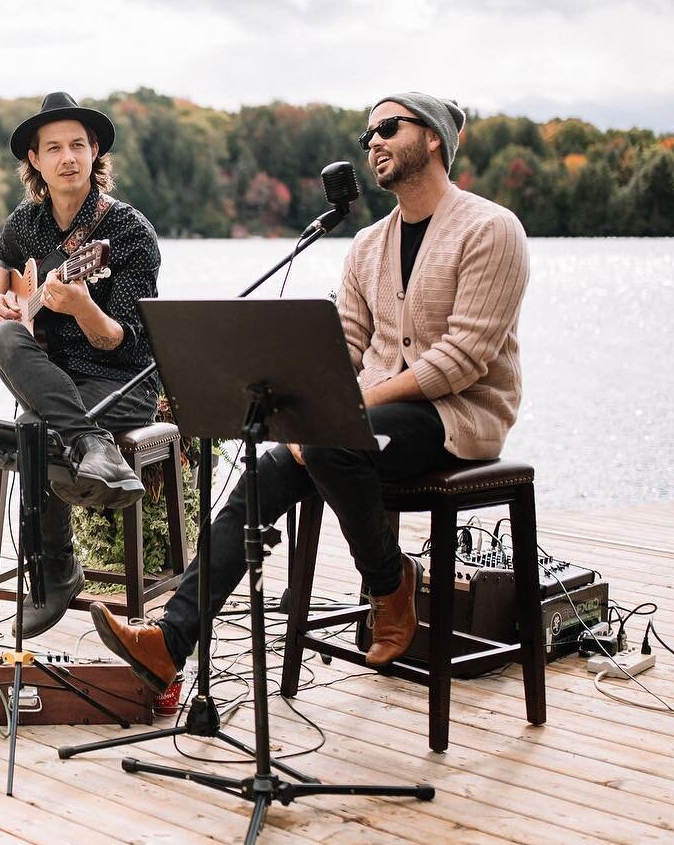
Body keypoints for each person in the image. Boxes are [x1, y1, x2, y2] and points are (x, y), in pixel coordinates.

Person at [90, 91, 531, 692]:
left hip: (455, 417)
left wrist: (338, 411)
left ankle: (387, 584)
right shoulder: (367, 244)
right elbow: (344, 348)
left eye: (387, 127)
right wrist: (308, 405)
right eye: (367, 134)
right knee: (261, 476)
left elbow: (462, 360)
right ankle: (171, 640)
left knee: (327, 443)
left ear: (433, 138)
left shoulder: (491, 229)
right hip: (362, 420)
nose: (372, 141)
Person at [0, 91, 162, 638]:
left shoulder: (129, 231)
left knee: (32, 430)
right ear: (34, 161)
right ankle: (91, 445)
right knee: (6, 337)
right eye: (54, 147)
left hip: (119, 380)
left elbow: (125, 343)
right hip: (56, 381)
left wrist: (83, 305)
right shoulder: (29, 222)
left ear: (95, 153)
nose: (68, 157)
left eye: (78, 145)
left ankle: (56, 571)